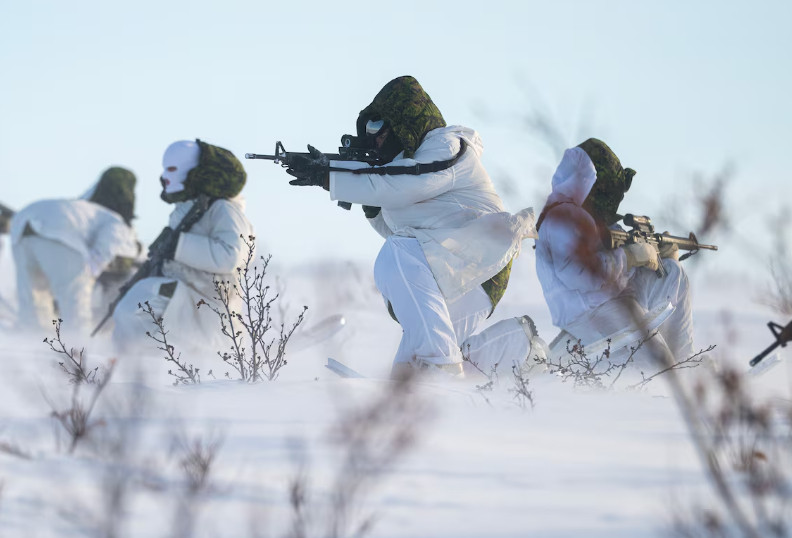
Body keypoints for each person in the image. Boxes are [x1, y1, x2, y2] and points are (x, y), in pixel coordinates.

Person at [284, 75, 541, 378]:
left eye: (379, 127)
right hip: (455, 269)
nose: (374, 137)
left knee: (396, 261)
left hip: (479, 258)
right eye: (369, 131)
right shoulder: (401, 170)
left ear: (403, 121)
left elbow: (410, 188)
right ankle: (520, 347)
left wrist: (332, 178)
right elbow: (402, 229)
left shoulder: (446, 145)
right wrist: (370, 201)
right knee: (414, 380)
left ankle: (440, 362)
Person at [534, 138, 693, 373]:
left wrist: (659, 255)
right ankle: (667, 379)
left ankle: (687, 365)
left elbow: (617, 260)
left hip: (614, 298)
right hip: (591, 311)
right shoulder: (563, 216)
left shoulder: (592, 218)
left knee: (673, 274)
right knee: (659, 368)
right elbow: (580, 275)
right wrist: (630, 256)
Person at [111, 139, 253, 355]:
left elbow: (232, 256)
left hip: (207, 304)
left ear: (193, 172)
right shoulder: (187, 209)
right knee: (132, 304)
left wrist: (178, 245)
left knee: (140, 299)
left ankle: (134, 363)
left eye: (172, 169)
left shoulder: (224, 210)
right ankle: (129, 364)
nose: (165, 176)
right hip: (185, 293)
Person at [9, 167, 139, 337]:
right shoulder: (115, 220)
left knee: (34, 299)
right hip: (59, 228)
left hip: (22, 226)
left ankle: (35, 345)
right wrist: (91, 269)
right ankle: (78, 350)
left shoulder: (85, 209)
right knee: (75, 300)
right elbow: (110, 243)